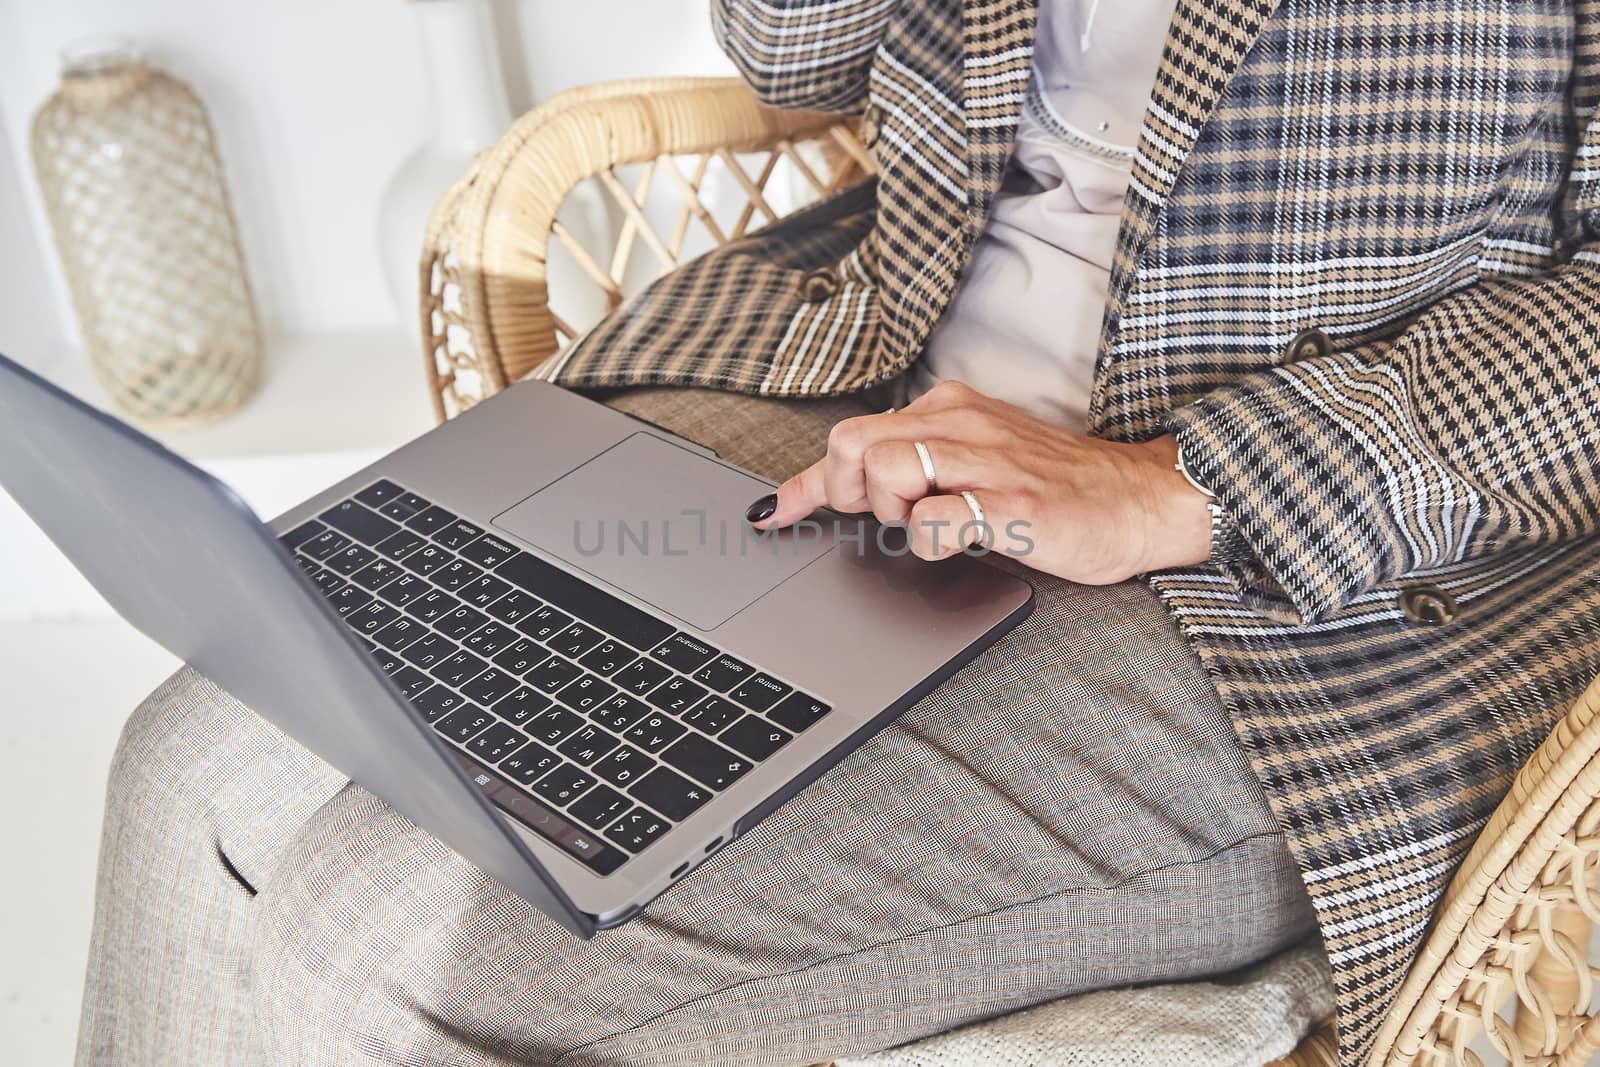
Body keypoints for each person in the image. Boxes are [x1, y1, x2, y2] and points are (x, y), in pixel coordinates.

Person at [77, 2, 1600, 1065]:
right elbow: (793, 56)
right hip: (873, 380)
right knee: (188, 766)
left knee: (385, 952)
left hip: (1301, 568)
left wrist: (1173, 484)